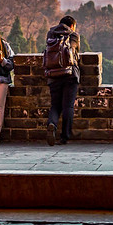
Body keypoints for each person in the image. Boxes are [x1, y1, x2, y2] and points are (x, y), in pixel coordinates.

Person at [45, 15, 80, 146]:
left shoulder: (51, 33)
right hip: (70, 74)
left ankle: (52, 124)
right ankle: (64, 137)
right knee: (68, 106)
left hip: (53, 74)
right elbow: (76, 52)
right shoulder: (73, 35)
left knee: (55, 105)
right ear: (72, 26)